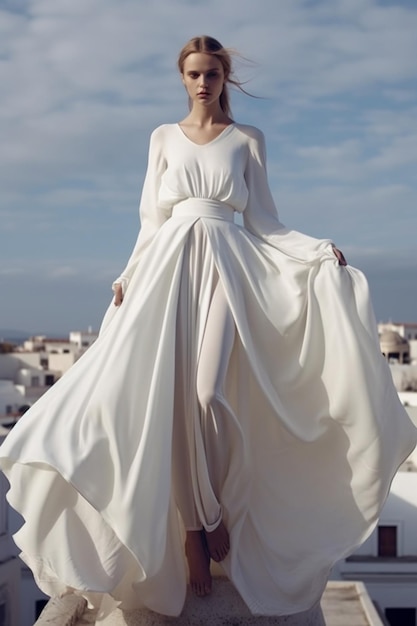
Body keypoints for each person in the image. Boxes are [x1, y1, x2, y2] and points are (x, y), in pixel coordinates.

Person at [0, 35, 416, 620]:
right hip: (166, 271)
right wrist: (126, 276)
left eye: (212, 74)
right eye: (194, 74)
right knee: (163, 403)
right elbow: (150, 219)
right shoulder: (162, 138)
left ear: (225, 79)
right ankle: (193, 535)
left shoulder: (249, 140)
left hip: (230, 267)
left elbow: (265, 220)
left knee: (207, 391)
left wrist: (317, 249)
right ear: (183, 78)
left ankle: (215, 514)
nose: (203, 83)